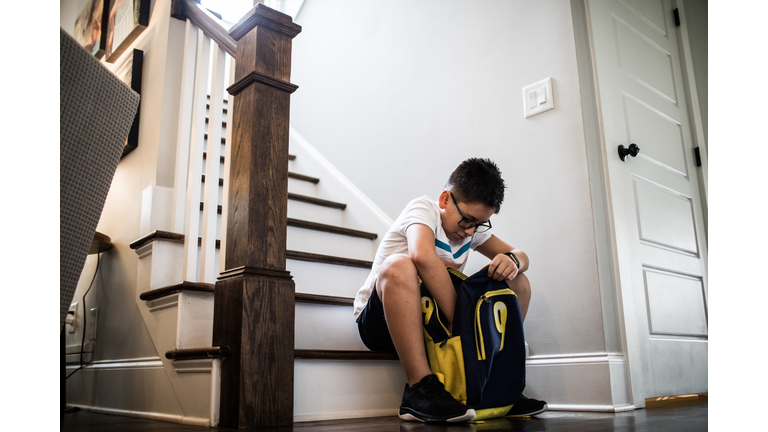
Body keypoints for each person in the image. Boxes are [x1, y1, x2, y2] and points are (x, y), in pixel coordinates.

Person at [353, 158, 547, 423]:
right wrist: (466, 325)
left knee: (518, 280)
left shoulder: (471, 230)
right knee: (400, 265)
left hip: (432, 322)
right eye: (467, 220)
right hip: (381, 321)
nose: (470, 230)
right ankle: (418, 388)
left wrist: (514, 260)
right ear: (445, 199)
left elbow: (520, 255)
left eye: (479, 224)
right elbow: (422, 255)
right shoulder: (423, 209)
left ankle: (498, 383)